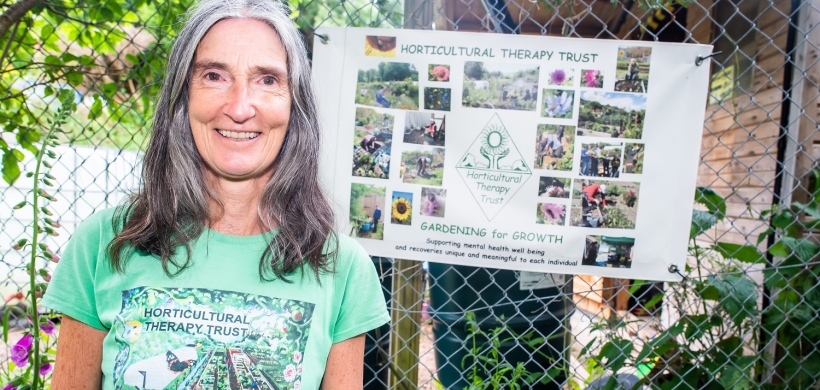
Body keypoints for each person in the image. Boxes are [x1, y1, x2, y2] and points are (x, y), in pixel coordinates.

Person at [42, 2, 390, 389]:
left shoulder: (340, 266)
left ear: (295, 106)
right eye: (214, 75)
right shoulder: (103, 244)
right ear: (182, 97)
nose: (240, 107)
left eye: (268, 80)